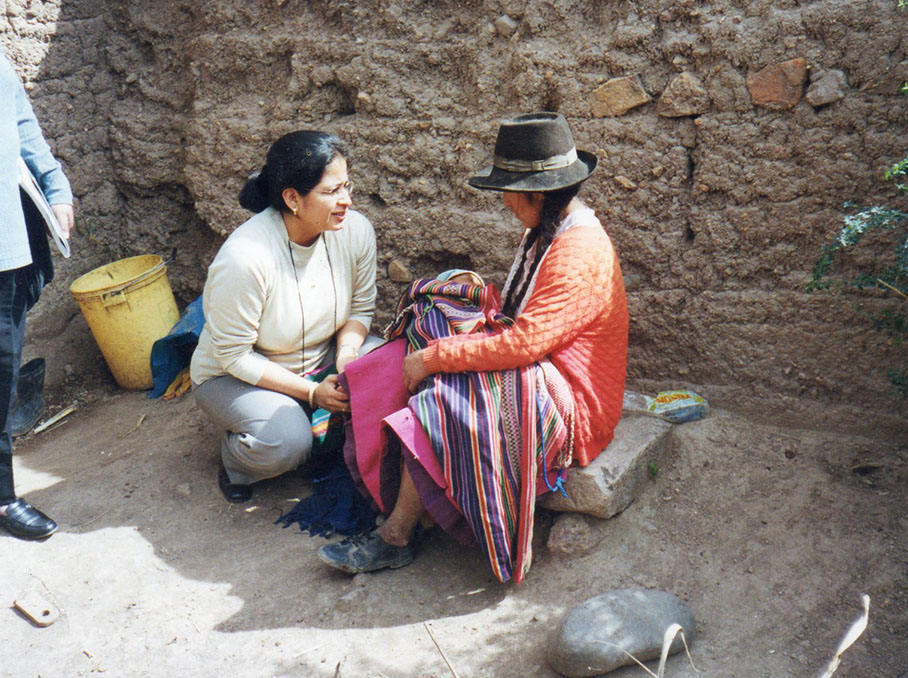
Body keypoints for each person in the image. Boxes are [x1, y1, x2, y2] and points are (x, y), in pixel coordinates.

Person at [317, 112, 628, 580]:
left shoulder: (579, 252)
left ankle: (396, 535)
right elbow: (523, 321)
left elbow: (524, 342)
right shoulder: (547, 232)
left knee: (445, 399)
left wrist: (436, 358)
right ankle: (401, 487)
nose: (505, 202)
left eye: (510, 191)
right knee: (424, 325)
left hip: (574, 405)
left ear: (539, 194)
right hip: (539, 362)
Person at [190, 130, 378, 503]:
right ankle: (238, 460)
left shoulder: (355, 232)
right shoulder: (245, 259)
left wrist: (346, 358)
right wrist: (312, 393)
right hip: (237, 377)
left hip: (322, 358)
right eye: (332, 191)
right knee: (287, 443)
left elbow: (361, 307)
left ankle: (314, 429)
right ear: (292, 199)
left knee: (385, 369)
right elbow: (235, 357)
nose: (346, 200)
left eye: (347, 186)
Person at [0, 47, 74, 540]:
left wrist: (55, 186)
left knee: (1, 370)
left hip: (6, 244)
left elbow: (20, 121)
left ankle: (2, 496)